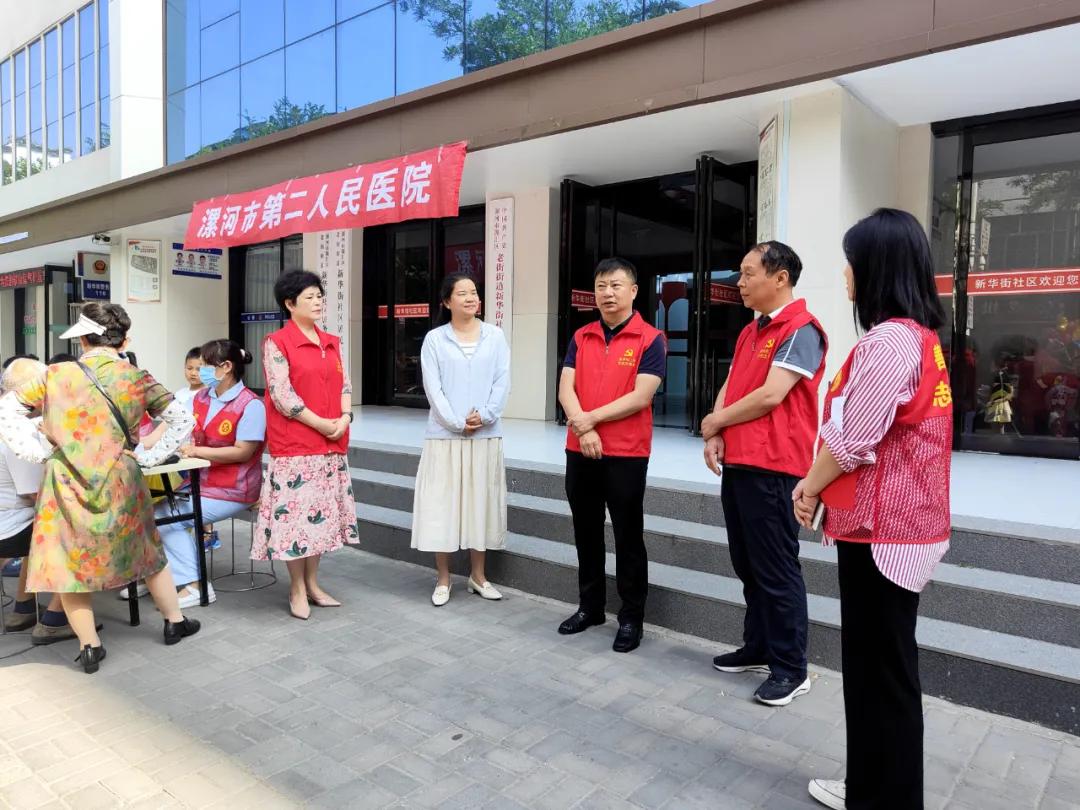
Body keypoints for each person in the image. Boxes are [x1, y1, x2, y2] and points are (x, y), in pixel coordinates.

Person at [793, 209, 952, 810]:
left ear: (876, 267)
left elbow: (853, 439)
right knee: (880, 669)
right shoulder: (919, 337)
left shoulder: (889, 342)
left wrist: (808, 487)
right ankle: (871, 786)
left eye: (851, 262)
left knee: (880, 673)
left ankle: (883, 797)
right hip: (900, 526)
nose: (845, 274)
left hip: (883, 532)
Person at [0, 303, 201, 673]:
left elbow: (7, 410)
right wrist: (151, 458)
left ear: (82, 340)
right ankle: (174, 622)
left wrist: (37, 451)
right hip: (121, 476)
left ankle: (89, 645)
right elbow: (183, 419)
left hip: (66, 477)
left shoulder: (54, 375)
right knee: (147, 551)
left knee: (69, 563)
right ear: (123, 341)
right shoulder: (136, 377)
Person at [701, 241, 826, 707]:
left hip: (775, 468)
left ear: (780, 277)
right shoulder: (751, 331)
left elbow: (772, 395)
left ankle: (791, 668)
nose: (740, 282)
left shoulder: (802, 329)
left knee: (776, 570)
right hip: (741, 463)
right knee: (747, 564)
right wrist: (716, 431)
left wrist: (716, 421)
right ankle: (758, 647)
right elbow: (732, 384)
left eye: (748, 273)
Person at [557, 257, 666, 653]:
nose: (607, 293)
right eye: (601, 286)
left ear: (633, 291)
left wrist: (589, 421)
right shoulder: (582, 336)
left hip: (626, 453)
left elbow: (641, 396)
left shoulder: (651, 339)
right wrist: (583, 428)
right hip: (580, 449)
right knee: (585, 531)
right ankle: (590, 607)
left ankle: (631, 617)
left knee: (627, 536)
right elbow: (565, 389)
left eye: (616, 285)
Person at [252, 270, 357, 620]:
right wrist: (322, 424)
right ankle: (296, 587)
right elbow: (283, 396)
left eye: (319, 296)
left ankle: (313, 584)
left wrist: (344, 418)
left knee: (320, 520)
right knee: (295, 522)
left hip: (330, 444)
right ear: (290, 303)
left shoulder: (332, 342)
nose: (317, 302)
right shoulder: (277, 342)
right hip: (297, 445)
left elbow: (345, 386)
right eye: (309, 297)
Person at [410, 273, 510, 606]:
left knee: (480, 503)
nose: (471, 298)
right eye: (462, 293)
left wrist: (486, 415)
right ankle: (443, 579)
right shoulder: (435, 340)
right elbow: (433, 388)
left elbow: (502, 381)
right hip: (444, 437)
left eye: (474, 292)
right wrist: (456, 423)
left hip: (485, 434)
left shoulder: (495, 336)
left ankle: (478, 577)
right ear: (446, 301)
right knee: (442, 504)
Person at [156, 339, 265, 608]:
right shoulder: (201, 397)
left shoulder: (251, 405)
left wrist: (197, 451)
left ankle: (195, 584)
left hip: (235, 489)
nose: (199, 371)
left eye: (205, 366)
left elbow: (243, 452)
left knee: (168, 517)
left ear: (226, 367)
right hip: (200, 482)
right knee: (154, 512)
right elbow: (180, 429)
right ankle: (164, 577)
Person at [0, 357, 72, 641]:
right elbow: (36, 495)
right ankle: (54, 620)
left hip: (8, 520)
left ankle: (24, 607)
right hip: (10, 528)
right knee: (81, 528)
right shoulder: (18, 428)